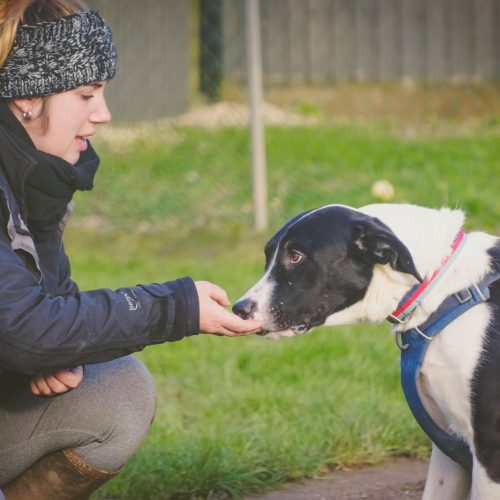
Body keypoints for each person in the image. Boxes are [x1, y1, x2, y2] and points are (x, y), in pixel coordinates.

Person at [0, 1, 262, 498]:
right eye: (85, 94)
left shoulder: (35, 175)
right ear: (25, 99)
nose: (103, 114)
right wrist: (177, 307)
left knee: (116, 390)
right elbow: (24, 330)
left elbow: (36, 315)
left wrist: (45, 354)